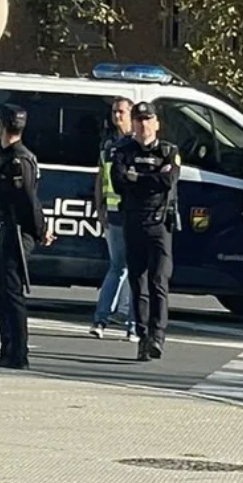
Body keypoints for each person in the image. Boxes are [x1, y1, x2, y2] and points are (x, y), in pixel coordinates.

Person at [110, 101, 180, 361]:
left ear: (157, 123)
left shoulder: (168, 151)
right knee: (138, 282)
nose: (143, 125)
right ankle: (142, 336)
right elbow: (118, 182)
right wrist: (150, 178)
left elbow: (167, 180)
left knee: (158, 281)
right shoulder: (123, 151)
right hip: (134, 221)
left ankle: (157, 336)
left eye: (148, 120)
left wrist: (137, 178)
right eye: (139, 120)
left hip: (160, 223)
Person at [0, 104, 53, 369]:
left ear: (2, 126)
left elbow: (28, 200)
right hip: (9, 227)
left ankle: (18, 354)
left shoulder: (18, 159)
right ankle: (8, 349)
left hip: (18, 230)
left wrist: (40, 230)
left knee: (11, 292)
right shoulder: (9, 156)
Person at [90, 97, 139, 343]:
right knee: (119, 267)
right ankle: (101, 320)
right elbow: (101, 177)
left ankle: (132, 325)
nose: (117, 116)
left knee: (133, 269)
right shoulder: (108, 145)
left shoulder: (137, 144)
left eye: (121, 112)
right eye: (114, 112)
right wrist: (99, 207)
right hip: (114, 213)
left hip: (133, 213)